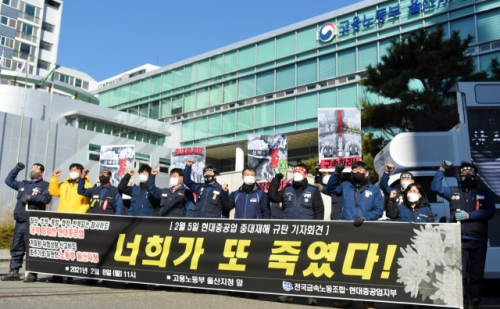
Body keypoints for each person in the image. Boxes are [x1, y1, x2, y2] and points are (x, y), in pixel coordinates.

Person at [432, 161, 495, 309]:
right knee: (458, 274)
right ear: (459, 177)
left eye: (470, 174)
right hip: (458, 239)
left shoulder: (485, 193)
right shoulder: (453, 191)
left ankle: (473, 301)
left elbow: (490, 211)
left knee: (476, 274)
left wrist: (469, 216)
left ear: (476, 177)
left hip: (478, 239)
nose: (467, 176)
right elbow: (435, 187)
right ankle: (460, 300)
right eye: (463, 174)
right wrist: (442, 169)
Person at [325, 161, 383, 309]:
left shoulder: (375, 190)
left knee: (365, 267)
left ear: (367, 173)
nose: (358, 171)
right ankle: (346, 299)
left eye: (361, 169)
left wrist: (365, 218)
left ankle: (368, 301)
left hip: (365, 232)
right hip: (346, 231)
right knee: (344, 266)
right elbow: (329, 189)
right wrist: (336, 173)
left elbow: (378, 210)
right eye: (355, 169)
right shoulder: (345, 186)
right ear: (351, 173)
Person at [268, 164, 324, 306]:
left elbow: (319, 211)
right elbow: (273, 197)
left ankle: (310, 295)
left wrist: (316, 230)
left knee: (307, 264)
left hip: (307, 233)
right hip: (289, 233)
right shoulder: (287, 189)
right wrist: (276, 180)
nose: (297, 173)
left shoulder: (313, 191)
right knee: (289, 264)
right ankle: (288, 293)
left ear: (306, 175)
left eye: (300, 171)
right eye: (295, 171)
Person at [2, 163, 50, 283]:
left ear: (42, 172)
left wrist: (31, 197)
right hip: (20, 220)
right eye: (32, 168)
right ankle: (14, 271)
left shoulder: (45, 185)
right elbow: (8, 181)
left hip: (33, 221)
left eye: (36, 169)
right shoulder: (23, 184)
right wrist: (16, 169)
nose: (33, 170)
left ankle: (32, 273)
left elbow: (46, 198)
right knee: (17, 247)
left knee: (32, 248)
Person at [48, 163, 92, 284]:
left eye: (76, 170)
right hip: (61, 219)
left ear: (81, 172)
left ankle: (70, 275)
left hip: (75, 220)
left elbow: (86, 203)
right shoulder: (64, 184)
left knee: (72, 249)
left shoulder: (87, 185)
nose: (73, 172)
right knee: (60, 248)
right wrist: (55, 178)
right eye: (72, 170)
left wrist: (77, 216)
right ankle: (57, 275)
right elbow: (53, 192)